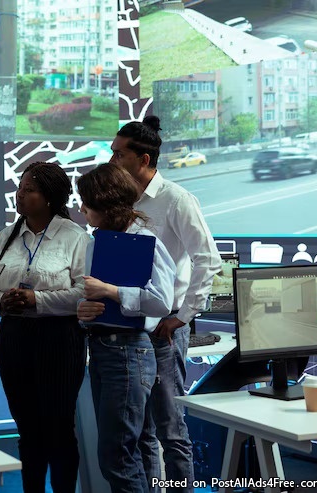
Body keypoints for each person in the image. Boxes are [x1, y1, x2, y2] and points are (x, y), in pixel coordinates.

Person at [109, 116, 221, 492]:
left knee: (170, 428)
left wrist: (183, 316)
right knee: (140, 432)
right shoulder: (122, 200)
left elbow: (208, 259)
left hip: (163, 327)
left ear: (143, 159)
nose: (111, 161)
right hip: (129, 325)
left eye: (119, 154)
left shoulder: (176, 199)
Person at [0, 162, 89, 493]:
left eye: (29, 190)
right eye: (20, 188)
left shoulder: (75, 238)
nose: (19, 194)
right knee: (27, 429)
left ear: (49, 197)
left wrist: (37, 300)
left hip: (60, 339)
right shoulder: (6, 237)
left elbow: (85, 294)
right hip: (14, 338)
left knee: (58, 429)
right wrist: (4, 303)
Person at [75, 164, 176, 493]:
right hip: (104, 349)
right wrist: (85, 311)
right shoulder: (99, 241)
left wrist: (111, 291)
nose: (81, 208)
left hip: (128, 352)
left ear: (105, 204)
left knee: (117, 456)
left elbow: (161, 302)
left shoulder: (145, 241)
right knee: (137, 448)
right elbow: (94, 298)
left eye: (87, 202)